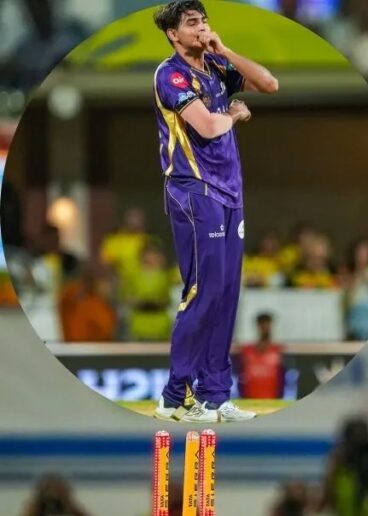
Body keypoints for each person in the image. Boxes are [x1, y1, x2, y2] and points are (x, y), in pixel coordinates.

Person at [149, 0, 278, 423]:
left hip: (230, 192)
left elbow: (269, 83)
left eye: (204, 20)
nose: (202, 27)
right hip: (193, 190)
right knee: (201, 293)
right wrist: (234, 113)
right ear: (174, 34)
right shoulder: (170, 74)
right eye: (192, 22)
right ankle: (173, 398)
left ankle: (214, 397)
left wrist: (225, 50)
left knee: (224, 295)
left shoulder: (217, 66)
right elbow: (207, 125)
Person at [237, 312, 285, 399]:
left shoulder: (278, 350)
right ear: (258, 326)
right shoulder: (246, 351)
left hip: (273, 401)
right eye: (262, 325)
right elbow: (240, 377)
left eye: (267, 325)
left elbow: (283, 378)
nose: (265, 328)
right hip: (248, 401)